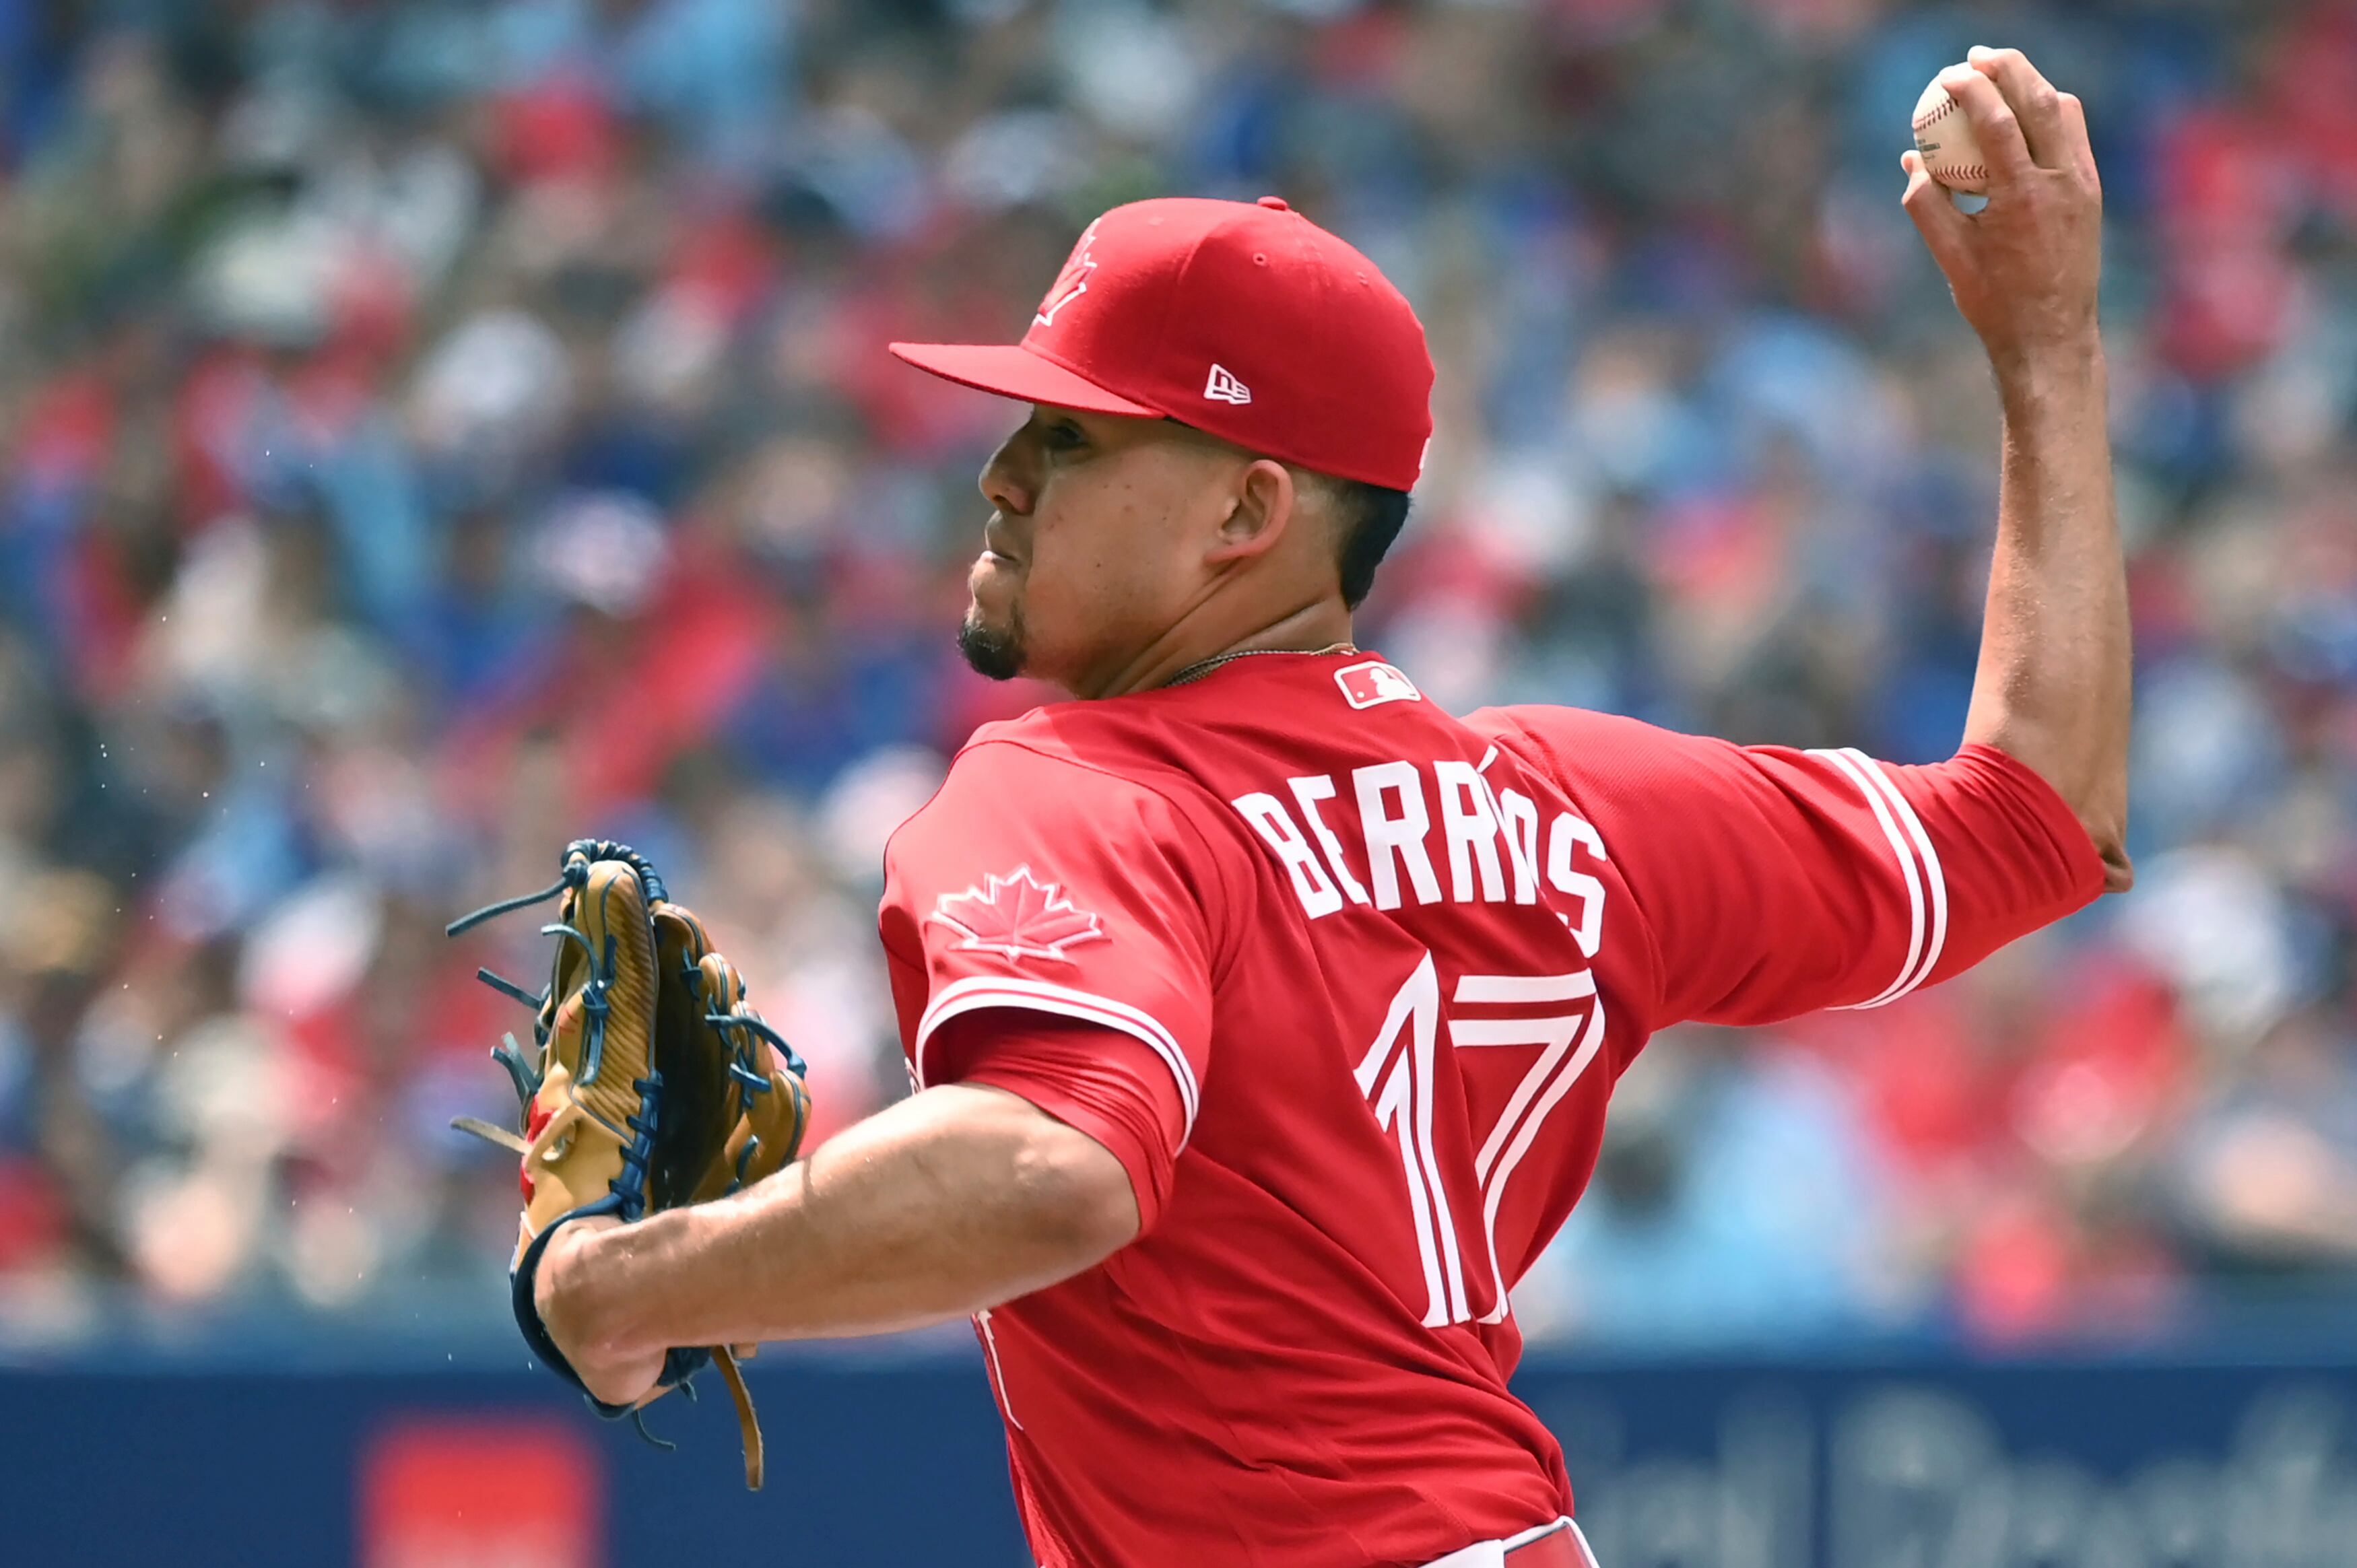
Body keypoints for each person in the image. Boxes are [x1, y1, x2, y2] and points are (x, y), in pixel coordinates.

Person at [528, 47, 2126, 1568]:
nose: (1002, 474)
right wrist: (2046, 349)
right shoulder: (1574, 807)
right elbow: (2039, 814)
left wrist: (620, 1286)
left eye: (1070, 437)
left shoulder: (1085, 791)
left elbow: (1052, 1170)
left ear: (1246, 509)